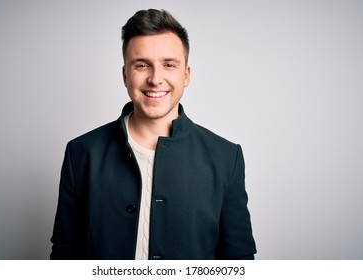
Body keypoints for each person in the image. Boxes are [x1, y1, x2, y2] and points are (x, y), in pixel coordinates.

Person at [50, 9, 256, 260]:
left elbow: (239, 261)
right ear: (126, 75)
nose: (155, 79)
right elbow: (64, 255)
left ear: (186, 75)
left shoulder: (226, 158)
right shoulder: (81, 153)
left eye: (169, 65)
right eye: (142, 65)